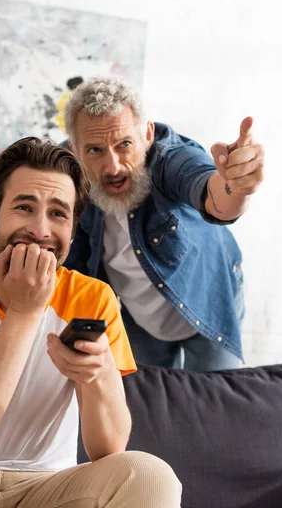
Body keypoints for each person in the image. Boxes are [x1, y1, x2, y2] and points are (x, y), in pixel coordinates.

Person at [0, 137, 182, 508]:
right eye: (24, 207)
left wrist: (95, 376)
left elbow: (109, 448)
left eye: (58, 213)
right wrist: (25, 312)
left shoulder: (93, 299)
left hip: (49, 489)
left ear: (72, 228)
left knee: (149, 474)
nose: (41, 229)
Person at [63, 78, 265, 371]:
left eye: (124, 145)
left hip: (207, 299)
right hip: (140, 317)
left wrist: (238, 185)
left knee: (215, 406)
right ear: (75, 149)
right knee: (150, 406)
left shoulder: (171, 159)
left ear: (147, 134)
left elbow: (213, 194)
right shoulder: (65, 172)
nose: (113, 166)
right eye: (94, 150)